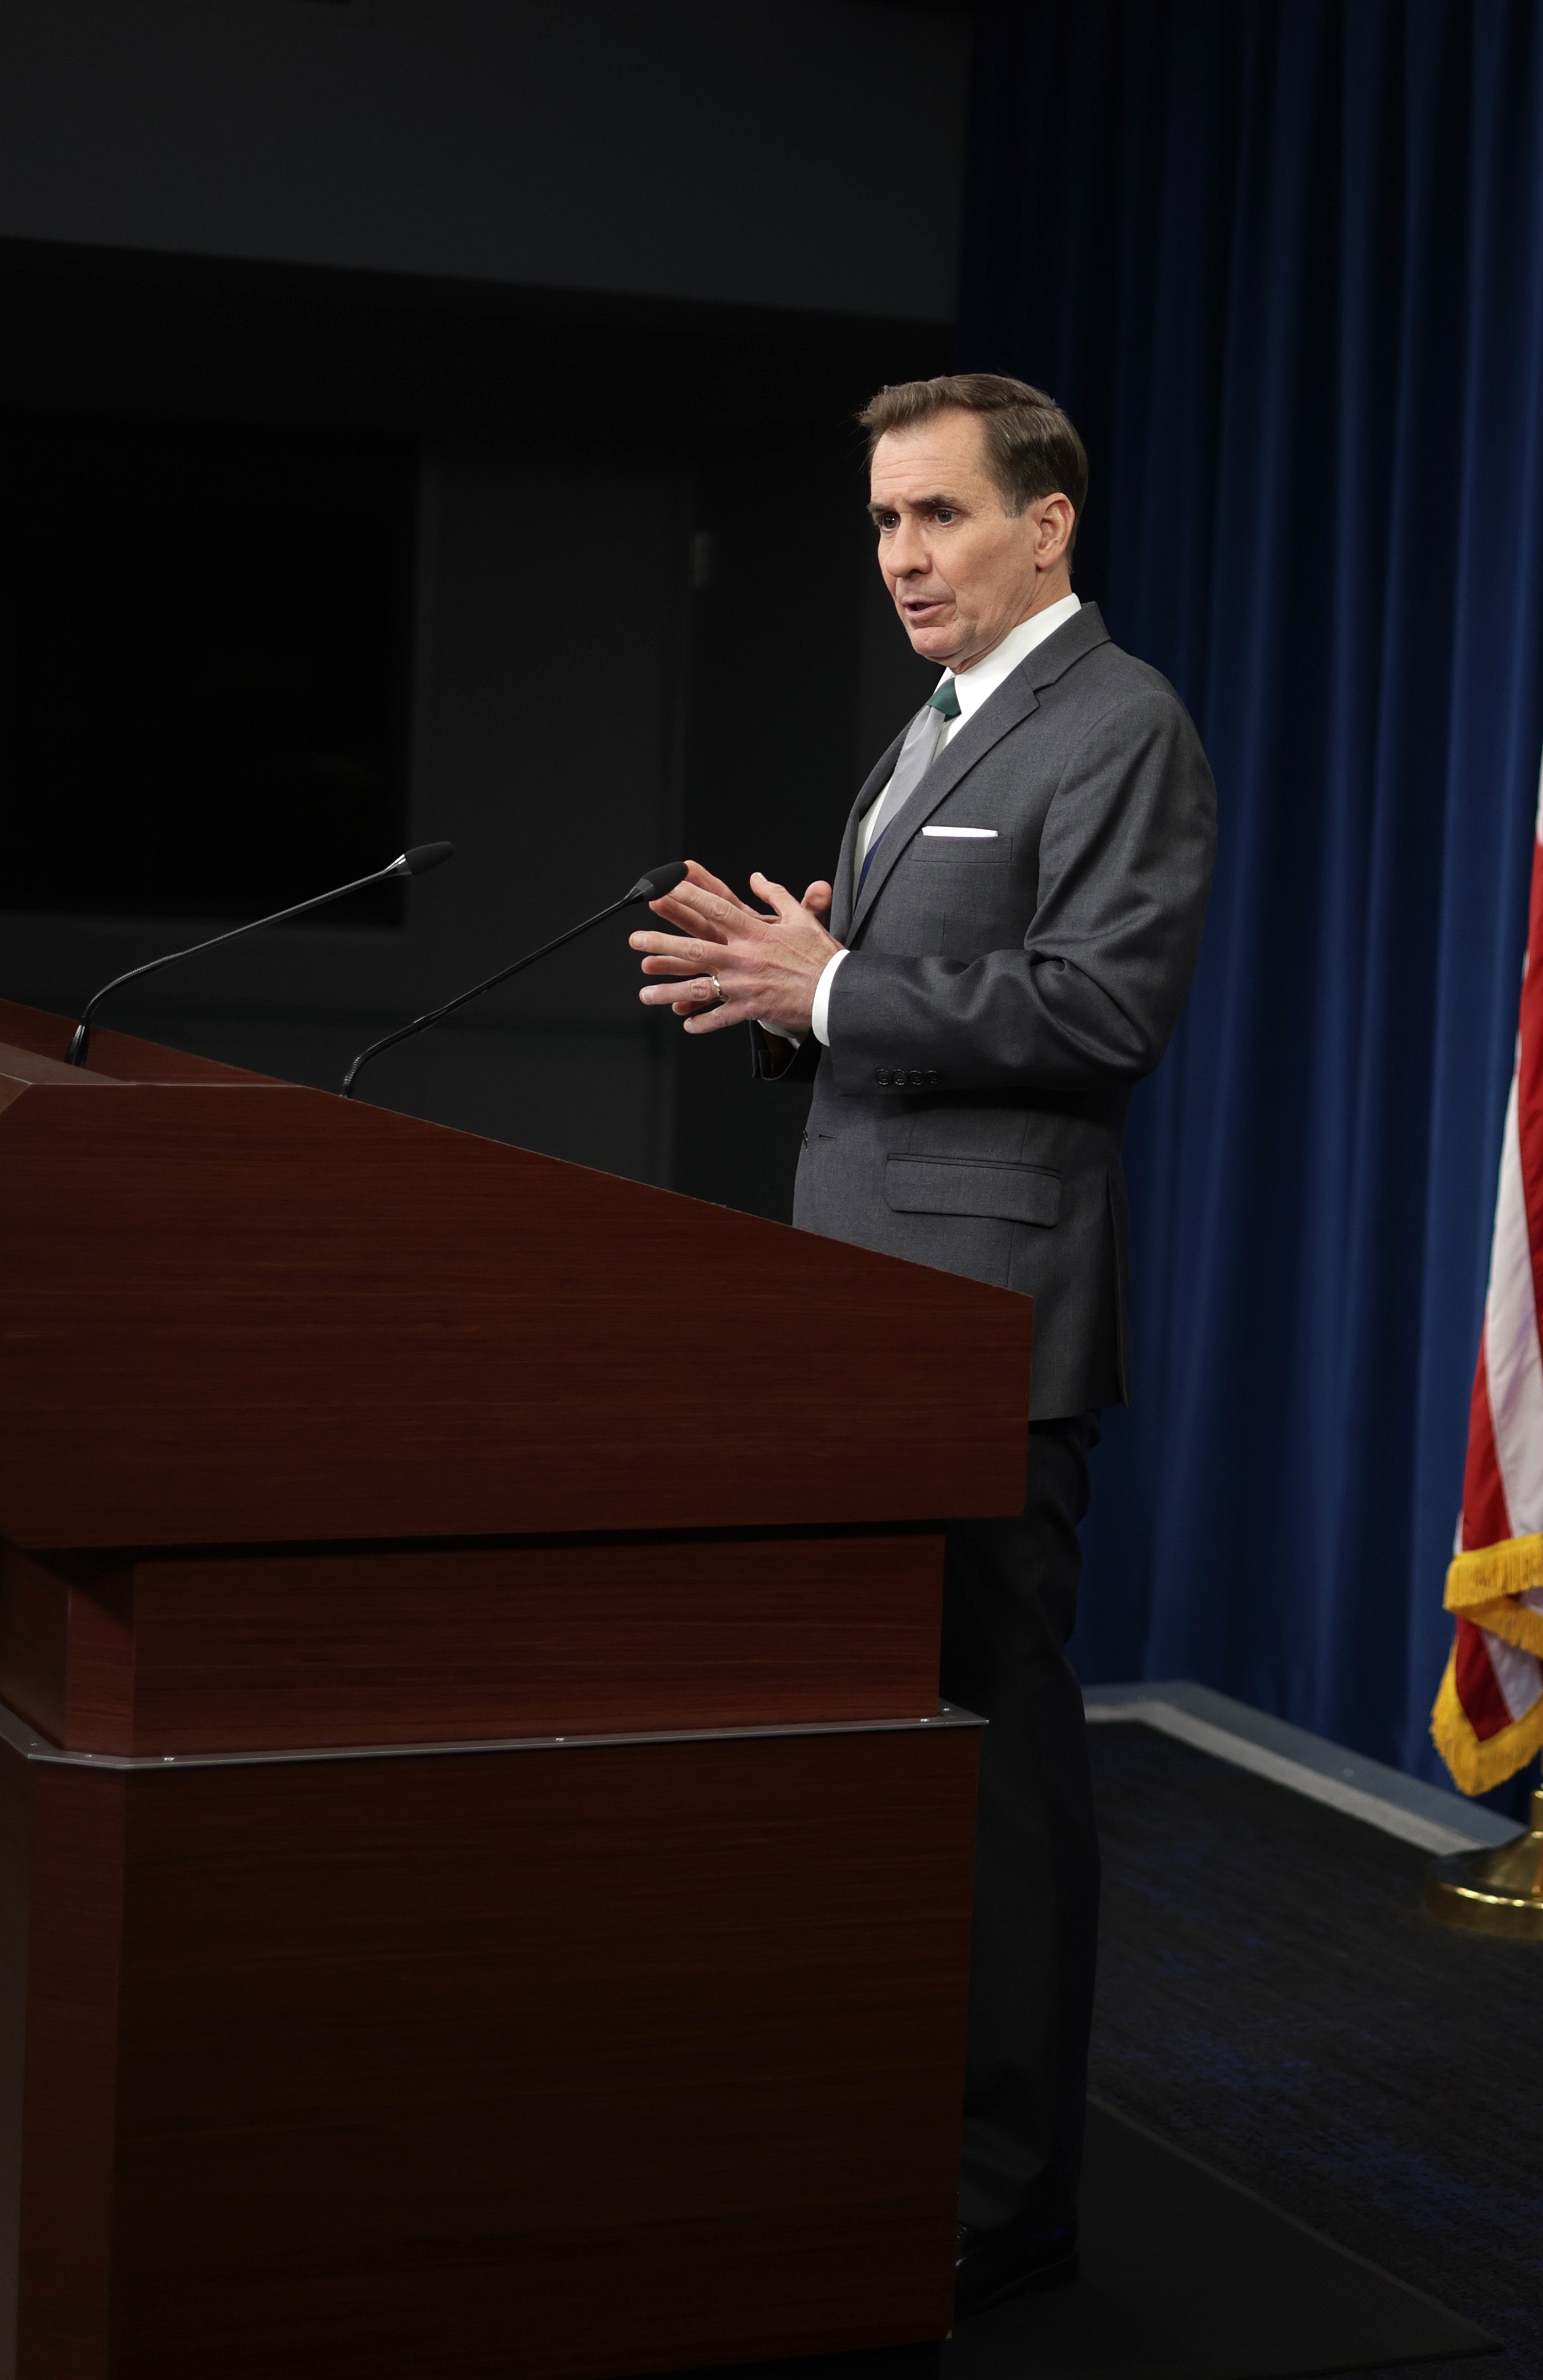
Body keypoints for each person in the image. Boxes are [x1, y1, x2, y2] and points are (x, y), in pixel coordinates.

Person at [626, 374, 1215, 2319]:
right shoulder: (939, 725)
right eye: (883, 524)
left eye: (938, 518)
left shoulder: (1118, 724)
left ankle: (1010, 2186)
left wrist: (845, 977)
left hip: (990, 1340)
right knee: (894, 1757)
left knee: (1004, 1773)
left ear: (1048, 524)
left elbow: (1098, 1009)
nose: (900, 559)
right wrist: (797, 991)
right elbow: (916, 1011)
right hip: (861, 1322)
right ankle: (898, 2118)